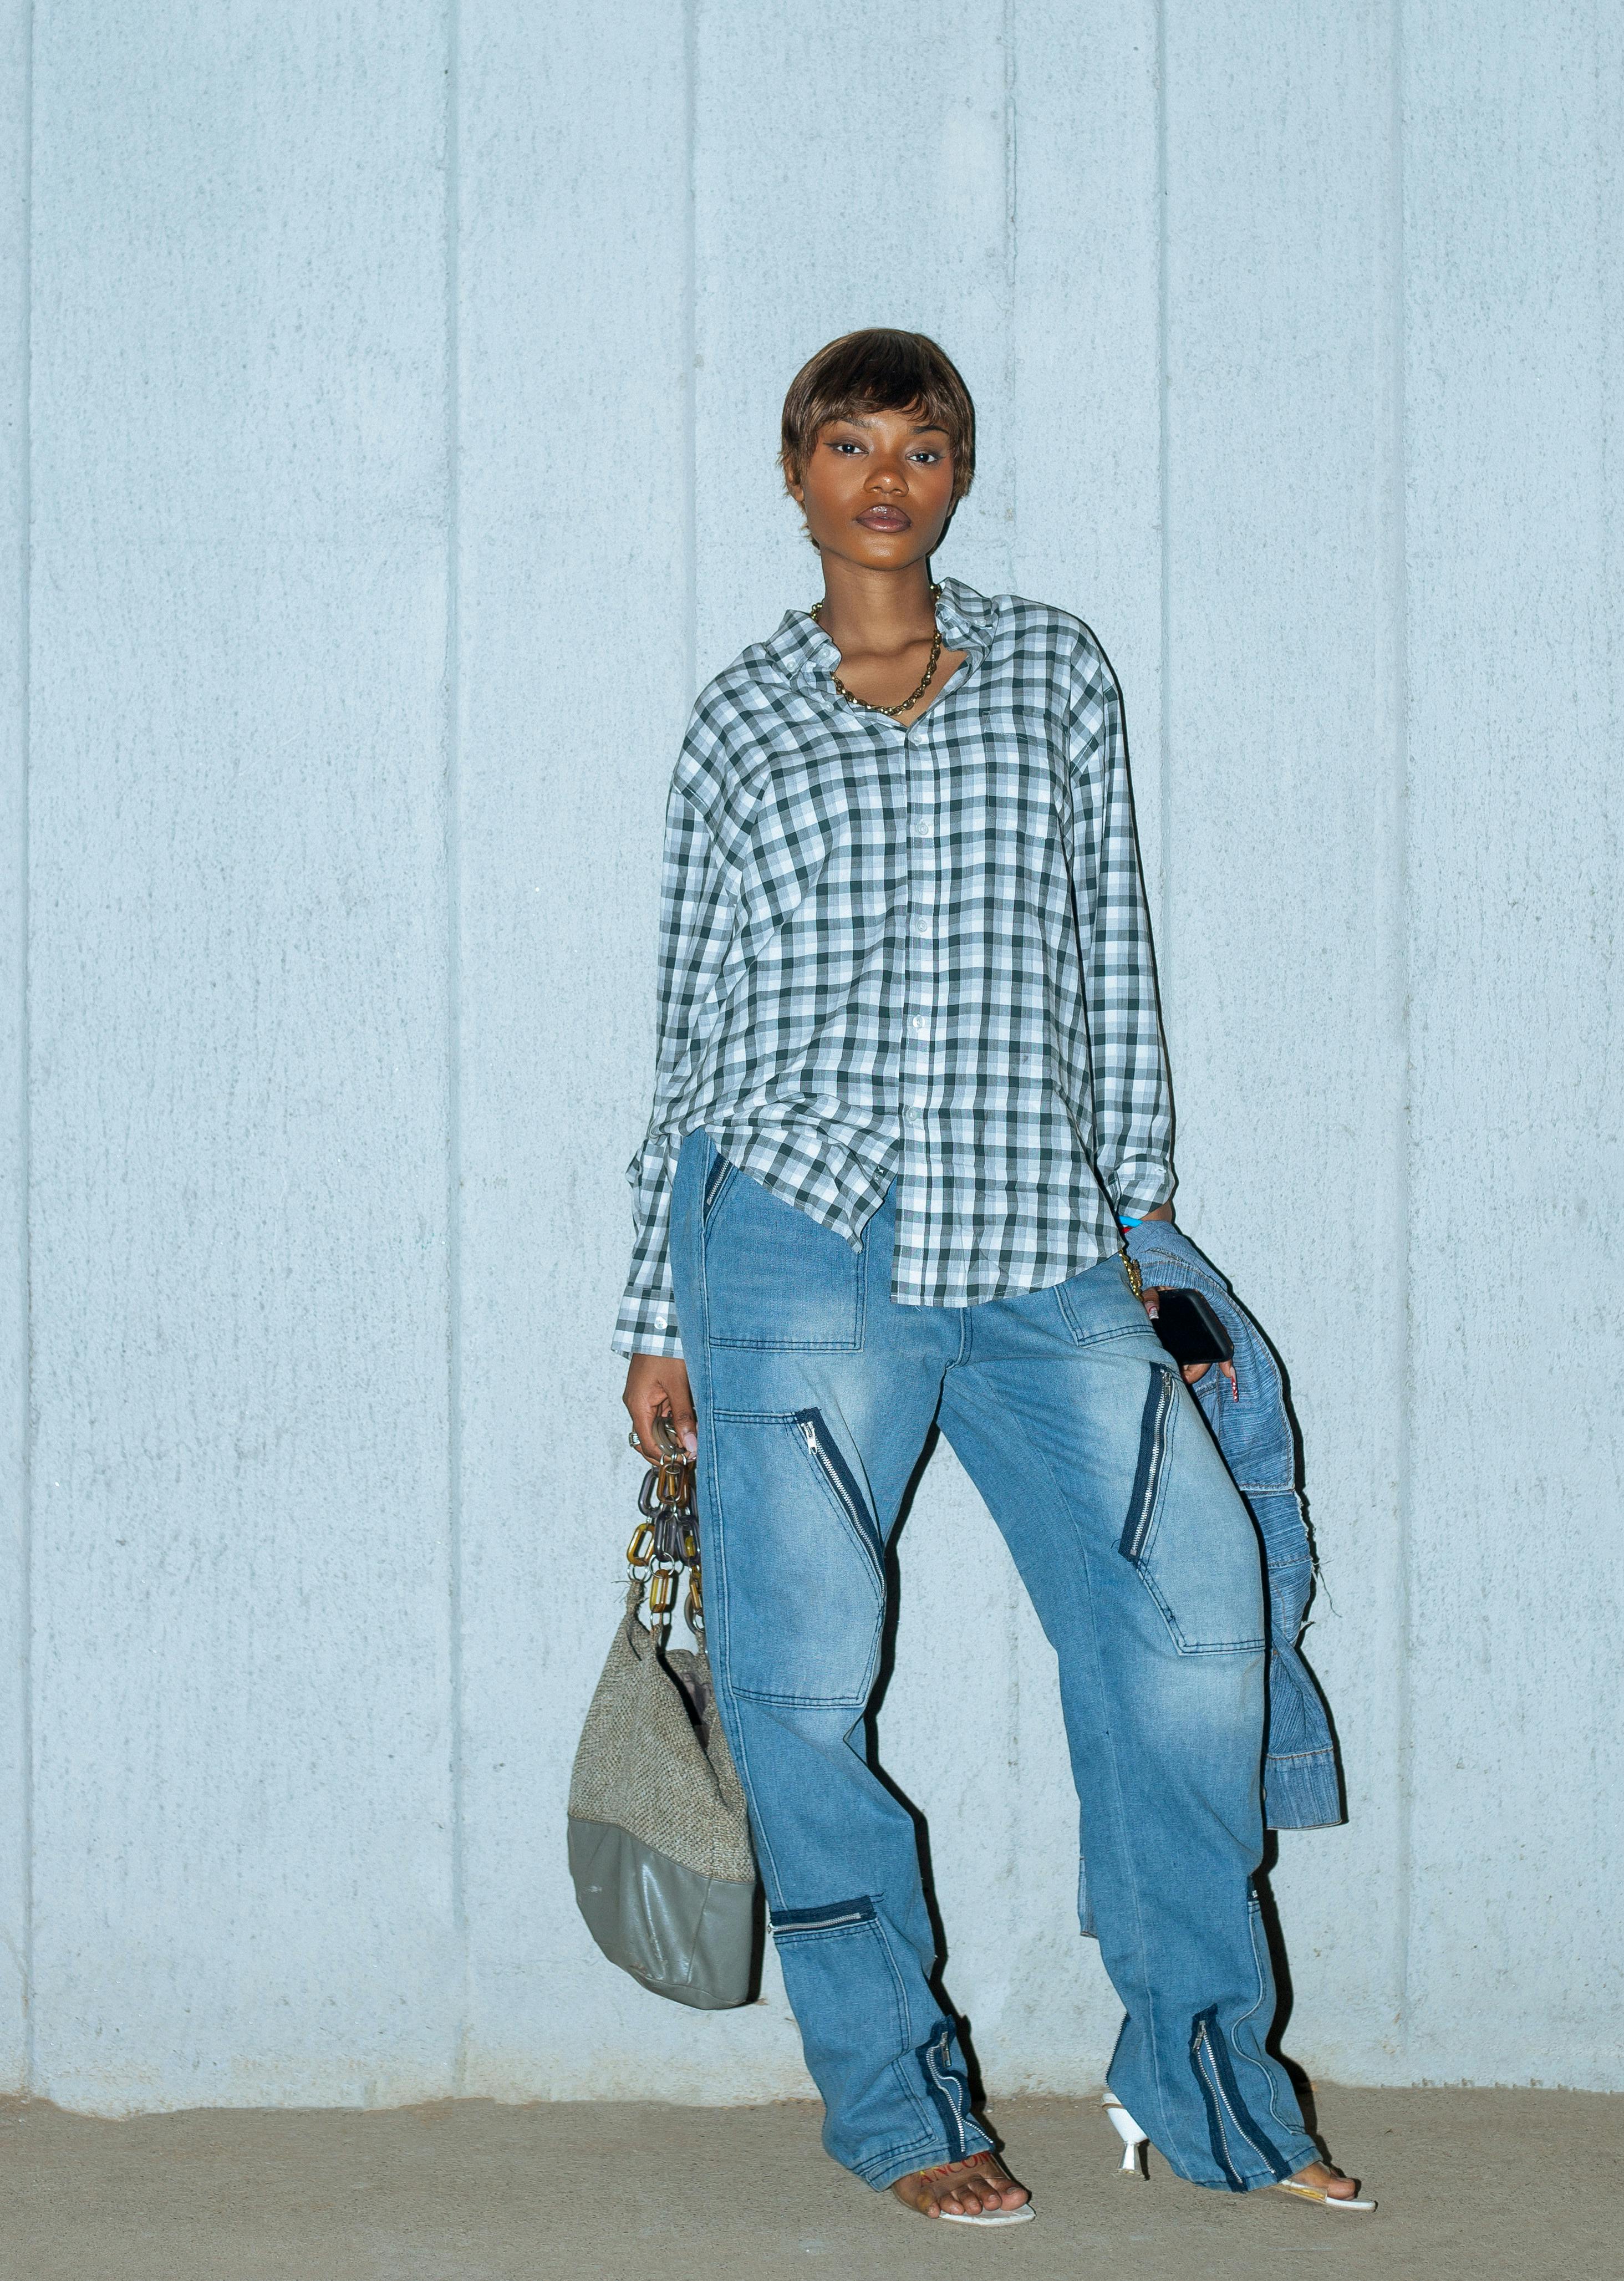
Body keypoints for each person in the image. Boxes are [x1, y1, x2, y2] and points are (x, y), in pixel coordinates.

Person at [615, 328, 1371, 2225]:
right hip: (794, 1233)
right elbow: (686, 1029)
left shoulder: (1052, 670)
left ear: (959, 475)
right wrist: (647, 1312)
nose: (886, 479)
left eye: (923, 446)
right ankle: (897, 2104)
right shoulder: (738, 721)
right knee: (800, 1691)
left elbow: (1110, 952)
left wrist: (1145, 1229)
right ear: (794, 473)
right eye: (848, 445)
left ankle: (1207, 2084)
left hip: (1044, 1234)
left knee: (1187, 1638)